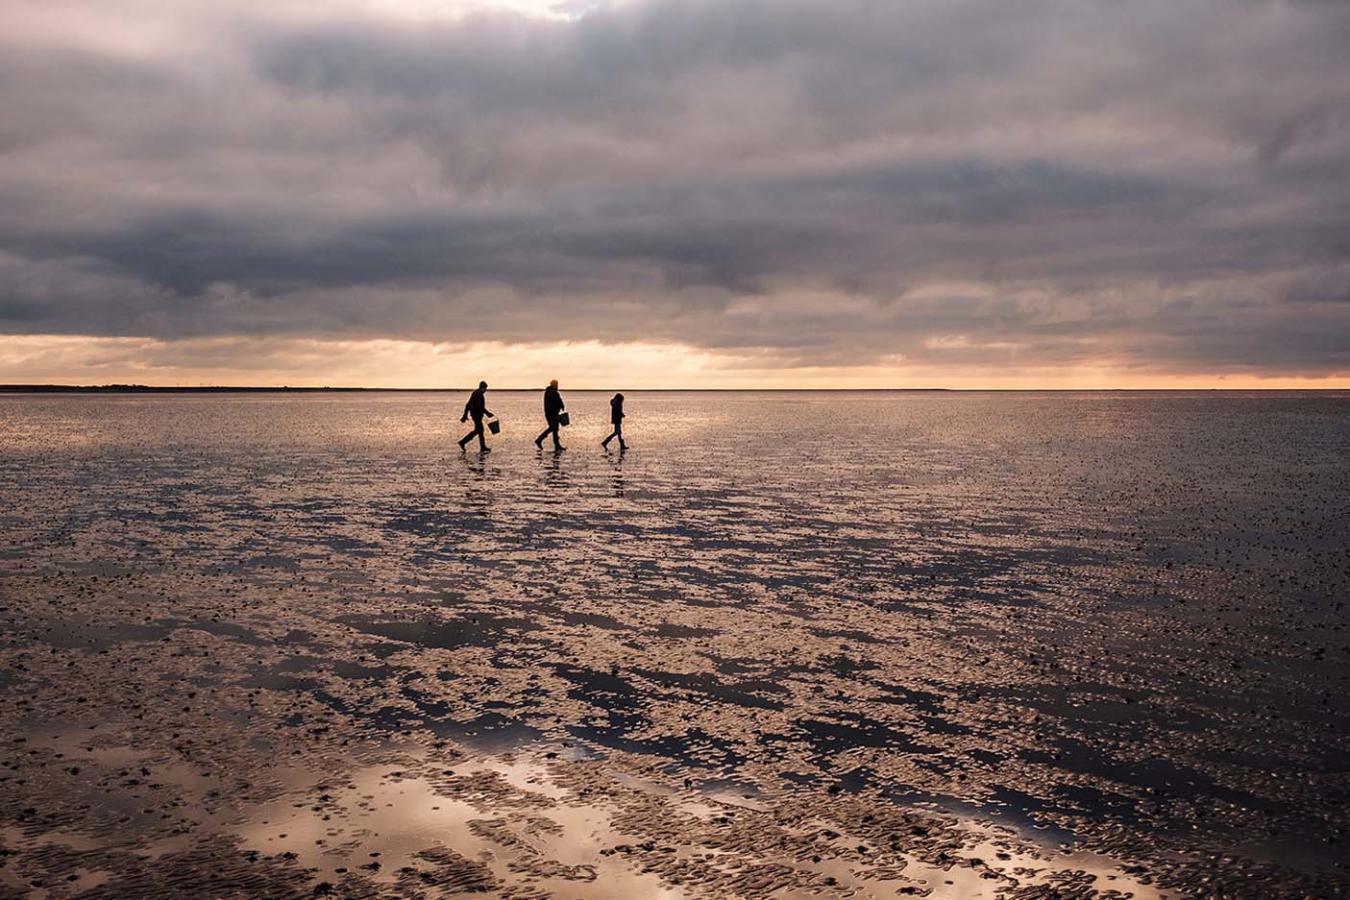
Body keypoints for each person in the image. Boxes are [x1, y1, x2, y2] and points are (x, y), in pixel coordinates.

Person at [458, 381, 493, 452]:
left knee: (479, 430)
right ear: (482, 388)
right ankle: (463, 442)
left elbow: (468, 404)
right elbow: (480, 407)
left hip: (475, 415)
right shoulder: (479, 394)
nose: (486, 390)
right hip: (476, 415)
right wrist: (487, 413)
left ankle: (482, 447)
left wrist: (465, 415)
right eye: (485, 388)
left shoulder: (475, 393)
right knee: (479, 430)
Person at [534, 379, 566, 450]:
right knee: (553, 428)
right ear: (554, 385)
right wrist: (561, 406)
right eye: (557, 384)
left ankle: (557, 445)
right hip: (552, 413)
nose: (557, 386)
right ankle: (539, 439)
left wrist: (561, 406)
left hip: (551, 413)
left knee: (555, 429)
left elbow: (558, 400)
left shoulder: (550, 392)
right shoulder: (553, 392)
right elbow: (557, 401)